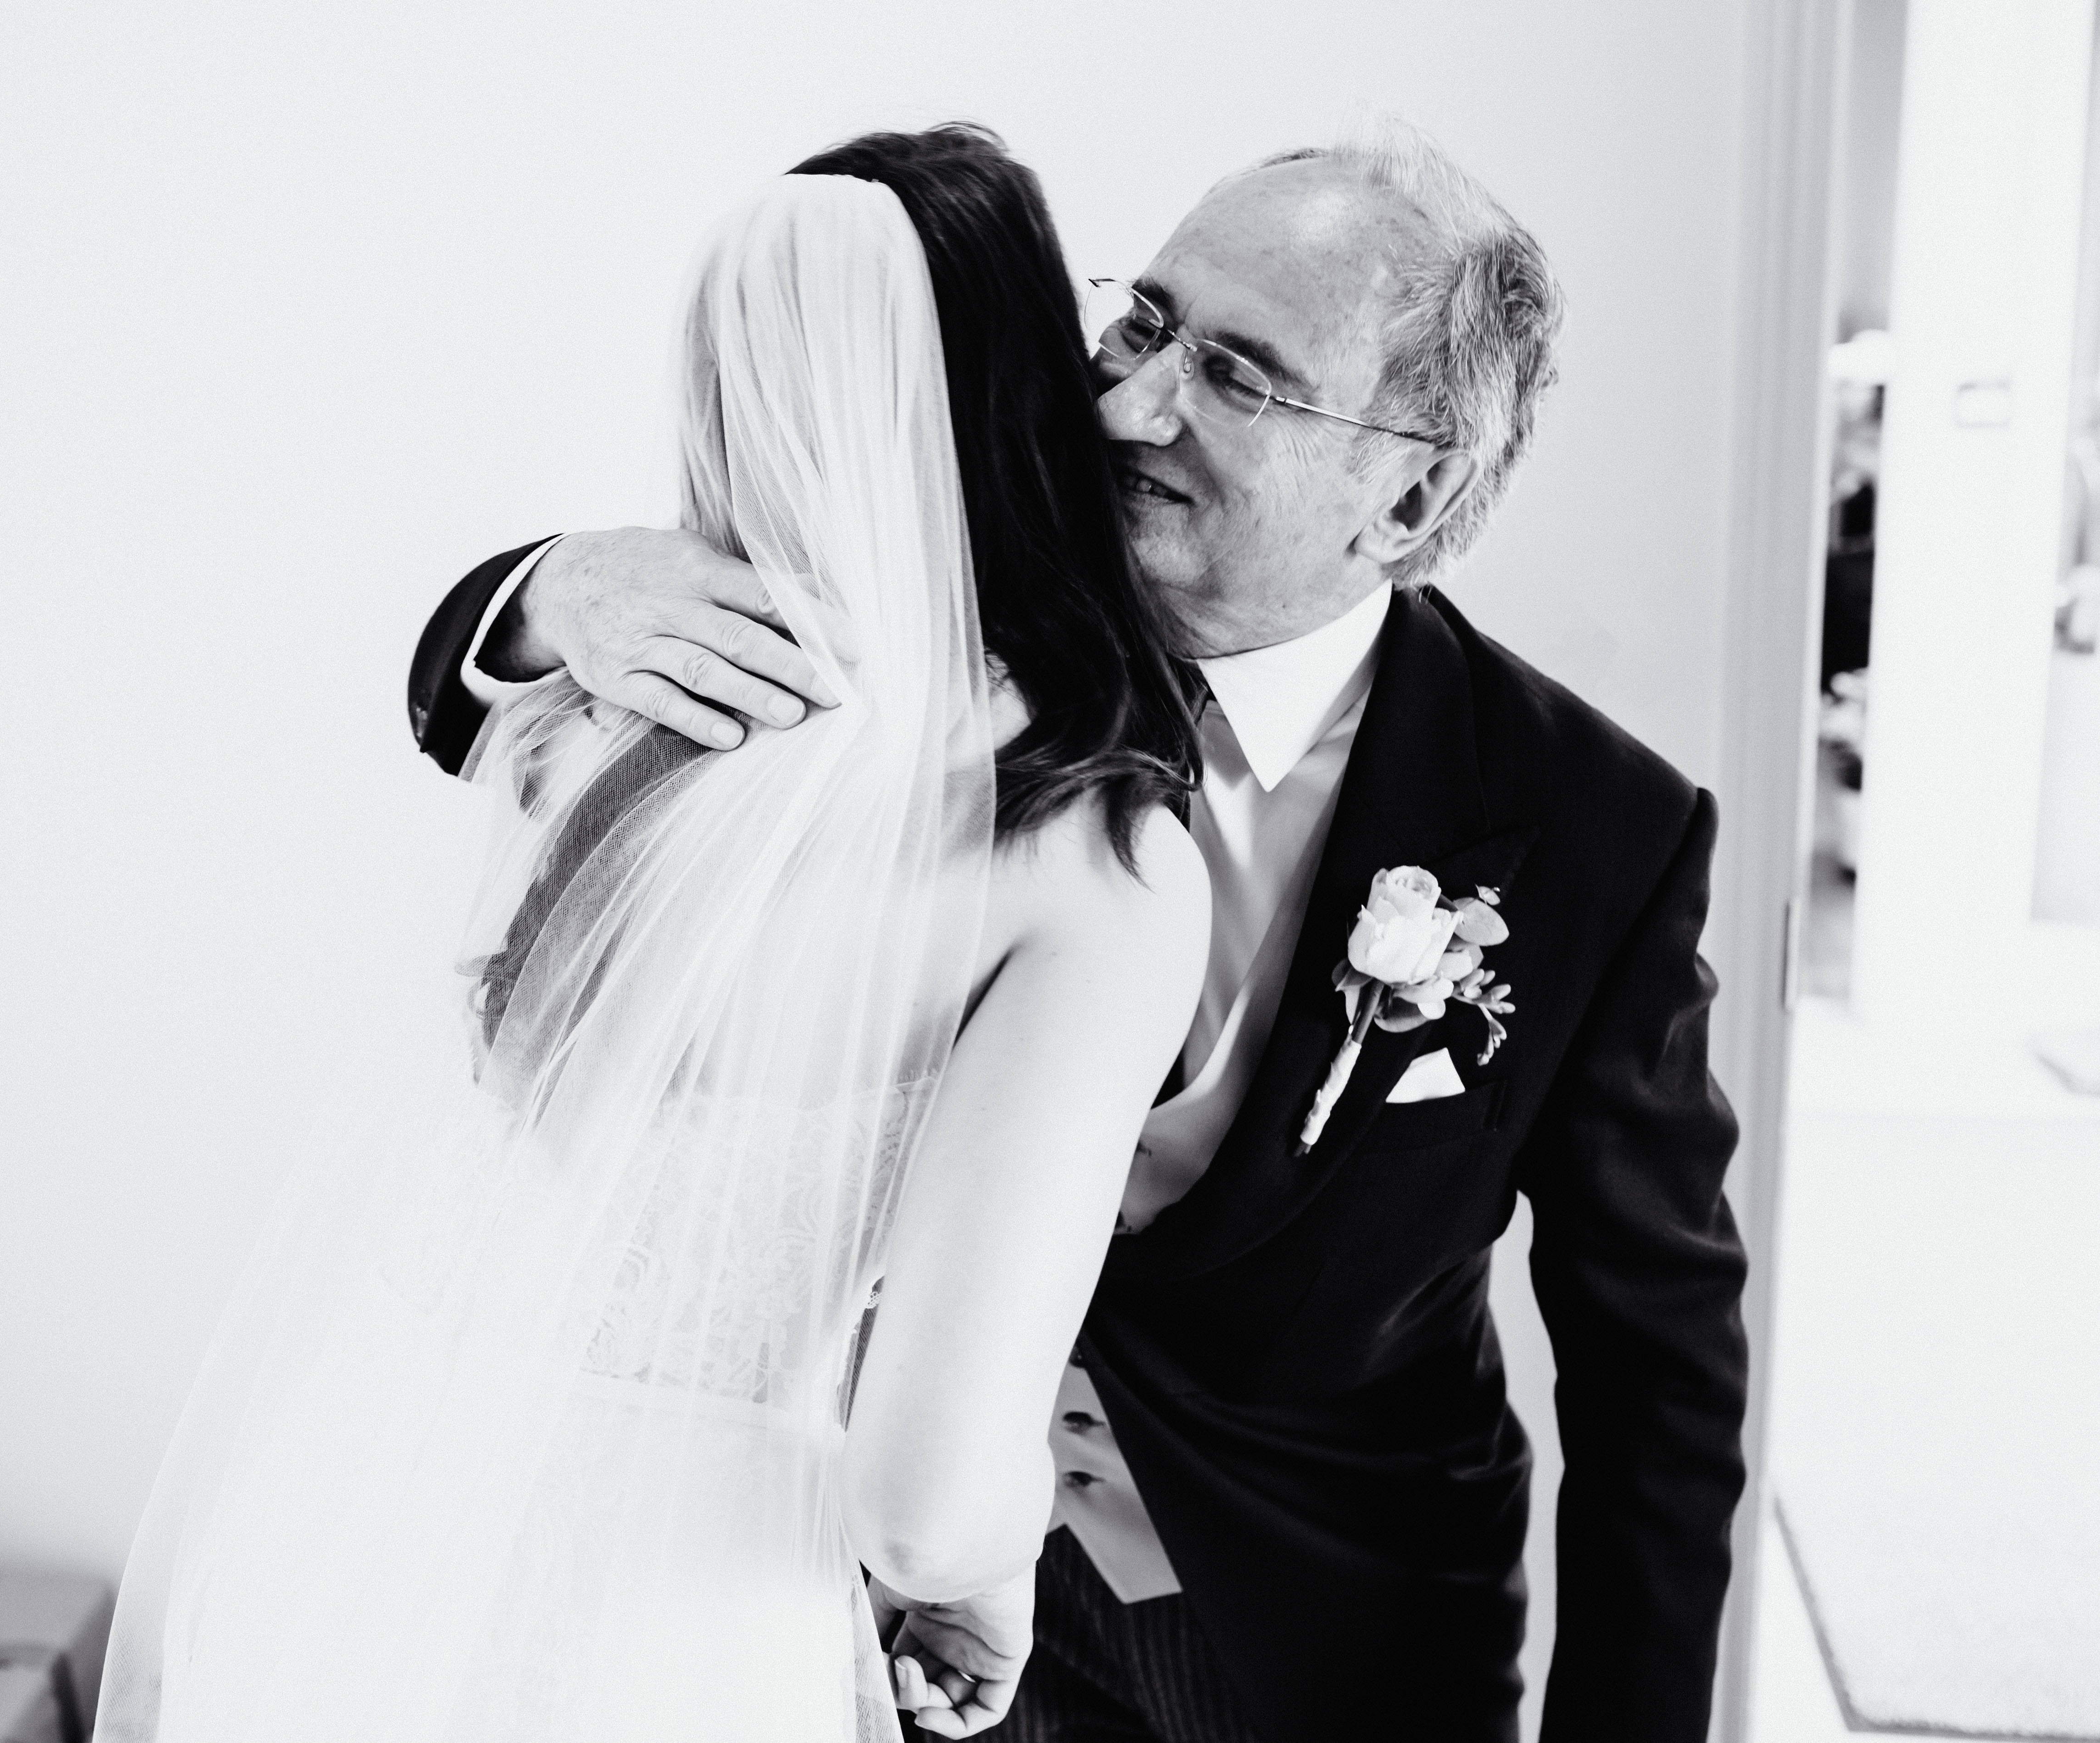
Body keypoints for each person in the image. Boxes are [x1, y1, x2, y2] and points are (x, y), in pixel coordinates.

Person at [410, 122, 1750, 1743]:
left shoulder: (1590, 828)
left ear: (1412, 494)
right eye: (1145, 322)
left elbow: (1656, 1368)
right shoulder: (931, 609)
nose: (1129, 404)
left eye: (1241, 379)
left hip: (1320, 1634)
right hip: (866, 1604)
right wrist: (545, 591)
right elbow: (569, 704)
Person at [100, 129, 1214, 1742]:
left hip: (373, 1529)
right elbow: (919, 1498)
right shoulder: (1081, 859)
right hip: (673, 1621)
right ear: (1020, 392)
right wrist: (986, 1572)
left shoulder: (572, 718)